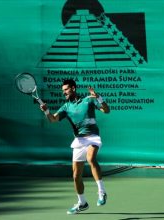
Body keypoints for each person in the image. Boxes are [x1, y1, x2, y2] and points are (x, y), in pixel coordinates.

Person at [40, 79, 110, 214]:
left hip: (93, 136)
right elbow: (53, 119)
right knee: (76, 175)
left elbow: (106, 110)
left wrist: (99, 98)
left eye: (66, 89)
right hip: (79, 140)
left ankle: (102, 192)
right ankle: (82, 202)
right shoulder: (66, 107)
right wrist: (46, 111)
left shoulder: (89, 100)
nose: (64, 92)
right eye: (63, 90)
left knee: (91, 159)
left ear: (73, 88)